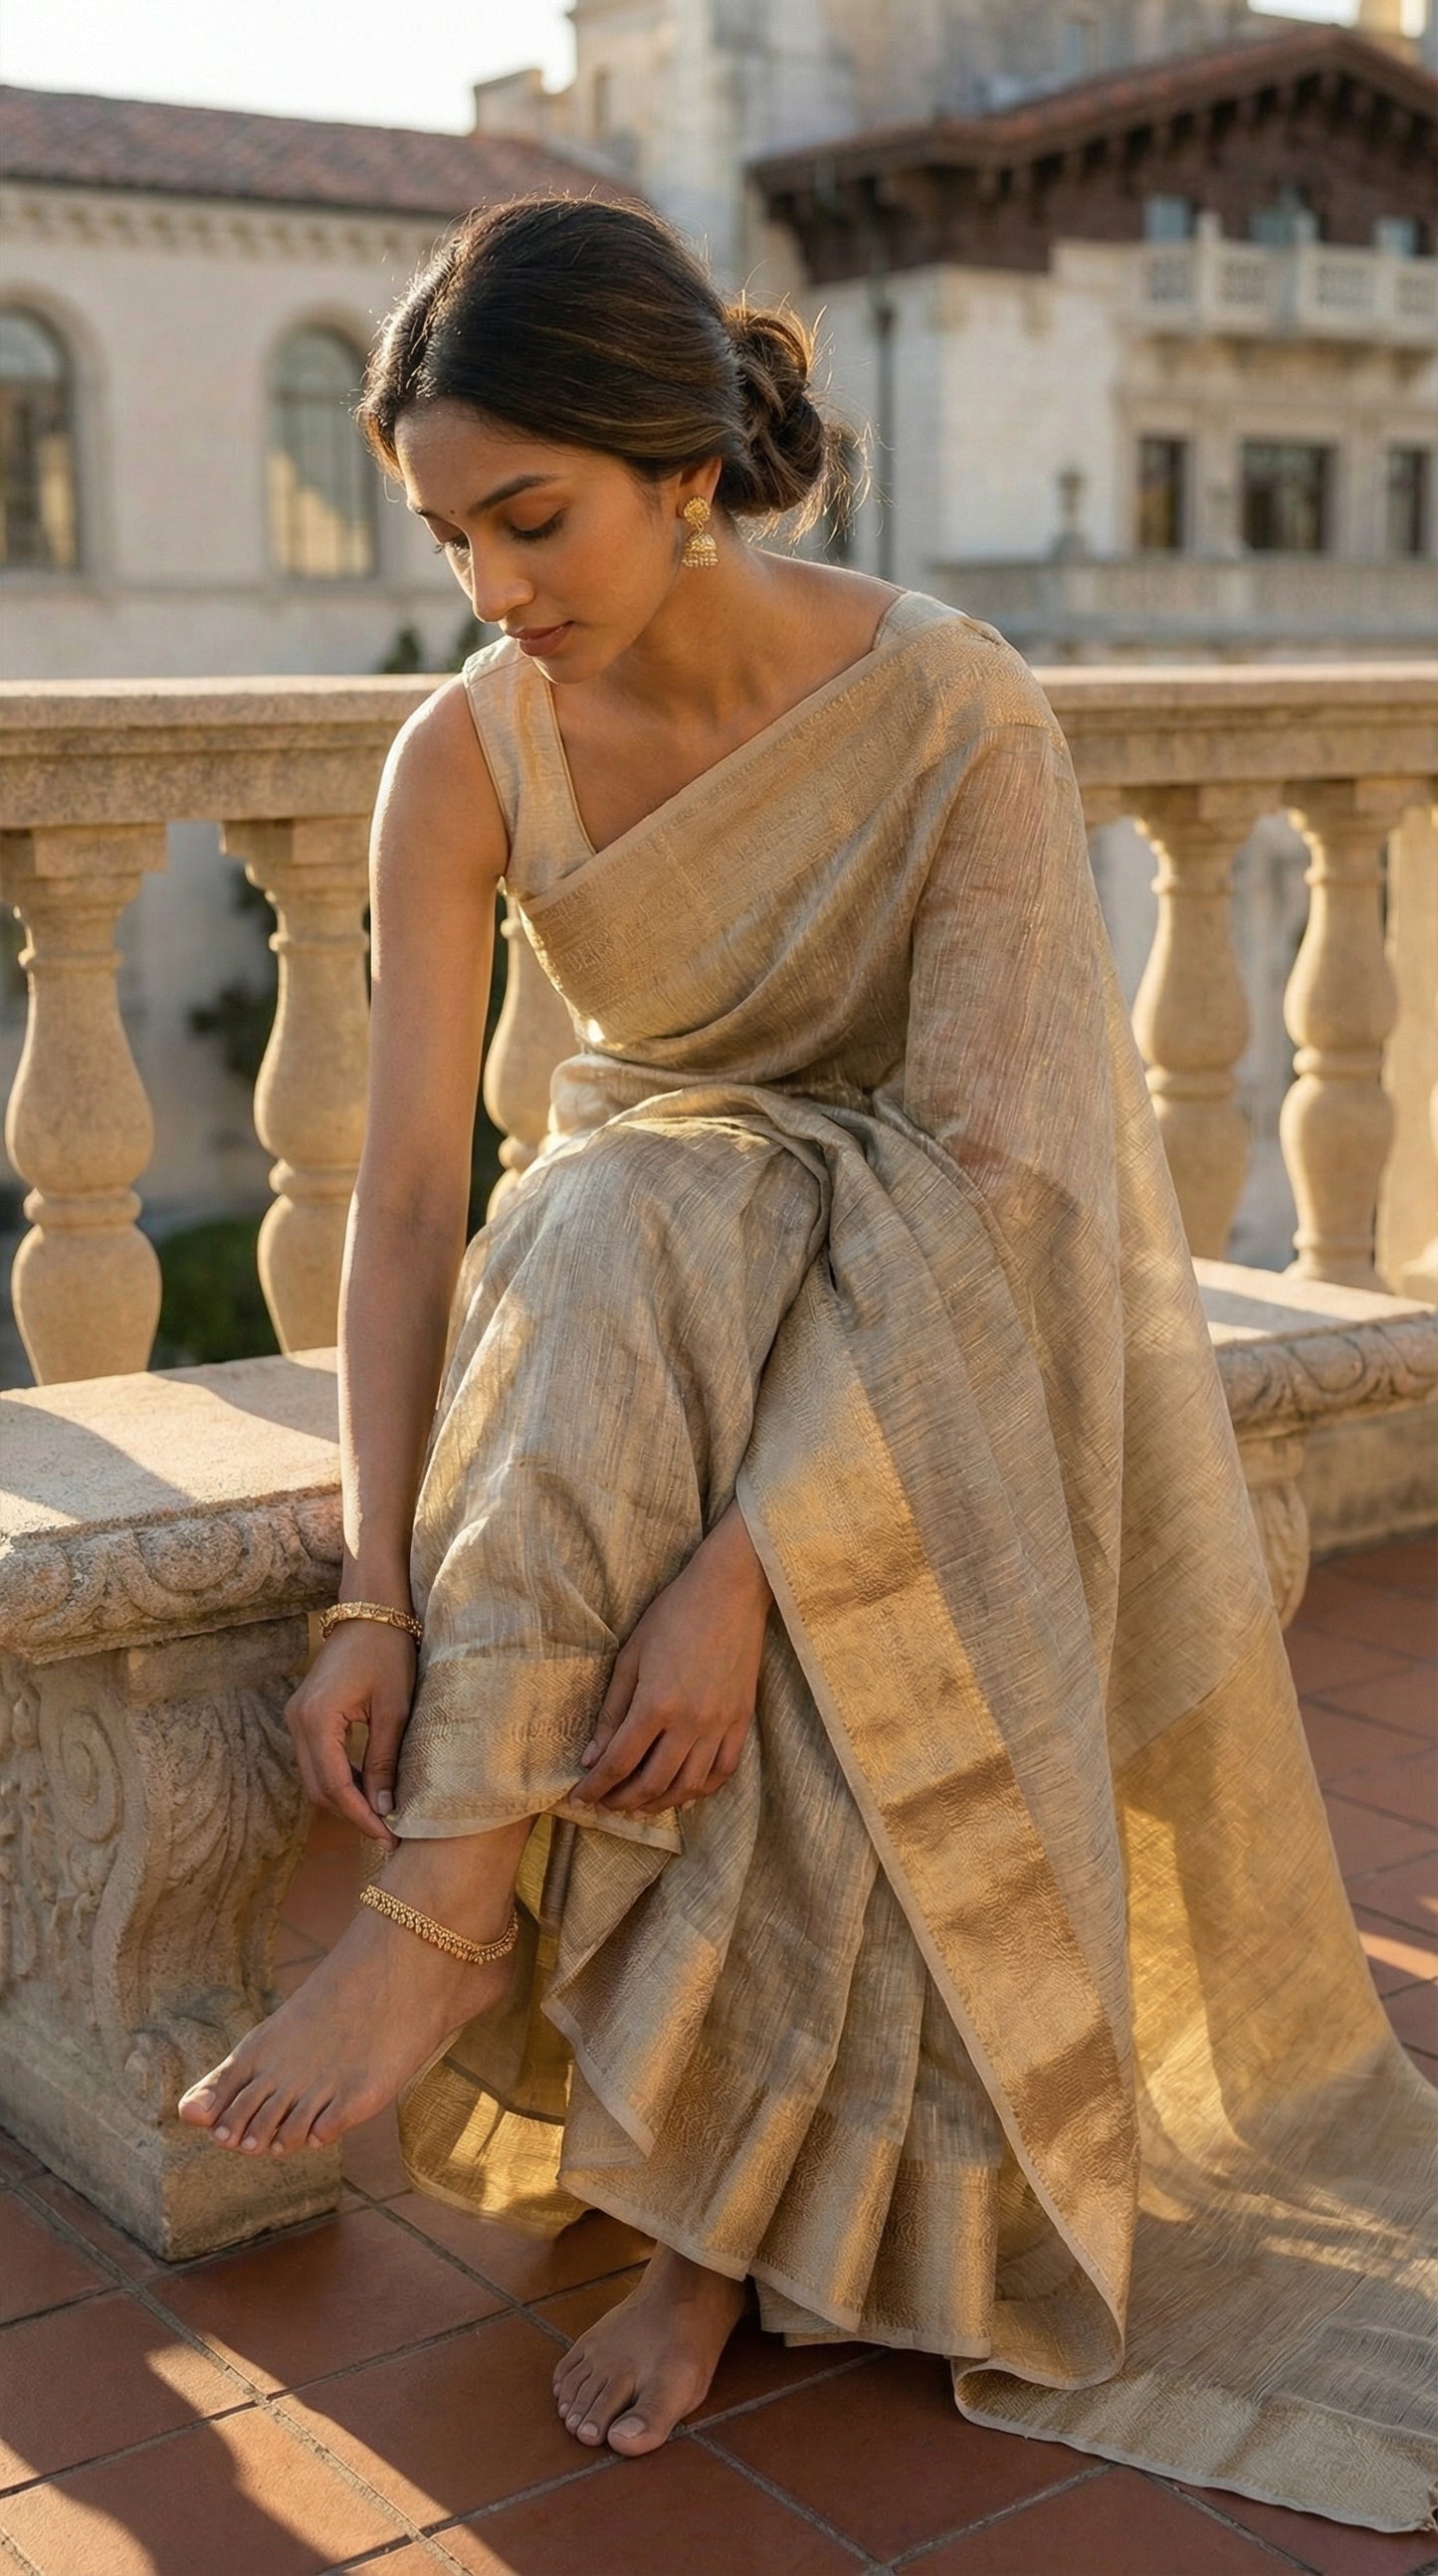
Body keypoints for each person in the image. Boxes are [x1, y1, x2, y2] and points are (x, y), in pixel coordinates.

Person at [180, 197, 1435, 2530]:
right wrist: (376, 1584)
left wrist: (755, 1565)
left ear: (682, 464)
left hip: (949, 1316)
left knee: (700, 1354)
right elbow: (413, 1204)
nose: (494, 588)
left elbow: (999, 1170)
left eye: (531, 518)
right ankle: (641, 2167)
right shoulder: (467, 756)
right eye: (452, 534)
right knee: (632, 1201)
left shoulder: (956, 704)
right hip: (649, 1298)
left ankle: (545, 2049)